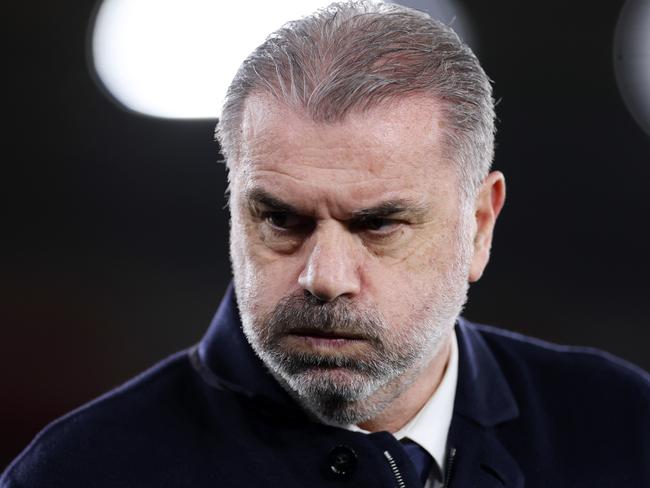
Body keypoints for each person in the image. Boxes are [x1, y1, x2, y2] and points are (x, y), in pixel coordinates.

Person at [3, 1, 649, 487]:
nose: (325, 276)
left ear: (478, 225)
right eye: (281, 220)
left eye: (378, 225)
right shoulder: (82, 473)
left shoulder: (622, 429)